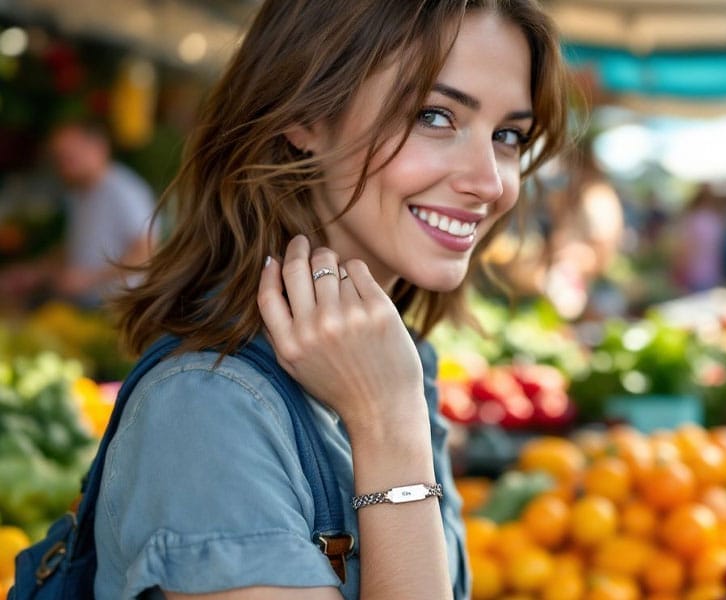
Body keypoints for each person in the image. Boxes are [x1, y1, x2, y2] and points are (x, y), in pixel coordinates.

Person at [100, 1, 568, 598]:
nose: (490, 180)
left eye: (507, 135)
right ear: (305, 116)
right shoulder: (205, 411)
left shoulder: (396, 361)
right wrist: (389, 426)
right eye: (434, 116)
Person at [0, 119, 157, 308]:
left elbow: (146, 252)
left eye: (69, 157)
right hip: (86, 306)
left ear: (98, 148)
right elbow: (76, 249)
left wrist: (89, 278)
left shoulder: (124, 191)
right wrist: (35, 272)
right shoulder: (79, 194)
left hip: (119, 306)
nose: (63, 166)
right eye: (59, 159)